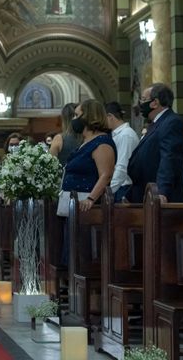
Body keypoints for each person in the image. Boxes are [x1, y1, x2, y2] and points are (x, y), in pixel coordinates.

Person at [58, 99, 115, 264]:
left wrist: (91, 198)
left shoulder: (102, 143)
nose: (74, 119)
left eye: (77, 115)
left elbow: (106, 175)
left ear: (89, 116)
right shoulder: (85, 142)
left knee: (82, 252)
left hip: (87, 204)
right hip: (75, 203)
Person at [127, 83, 183, 203]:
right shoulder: (157, 123)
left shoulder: (172, 122)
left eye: (143, 100)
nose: (139, 104)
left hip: (159, 197)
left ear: (155, 103)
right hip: (146, 193)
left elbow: (169, 158)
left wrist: (162, 191)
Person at [105, 102, 139, 202]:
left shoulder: (126, 135)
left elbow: (122, 166)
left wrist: (109, 190)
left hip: (122, 187)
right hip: (118, 186)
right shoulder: (117, 134)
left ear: (110, 116)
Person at [49, 102, 81, 167]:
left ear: (64, 119)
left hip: (64, 175)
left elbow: (50, 165)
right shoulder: (87, 136)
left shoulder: (59, 139)